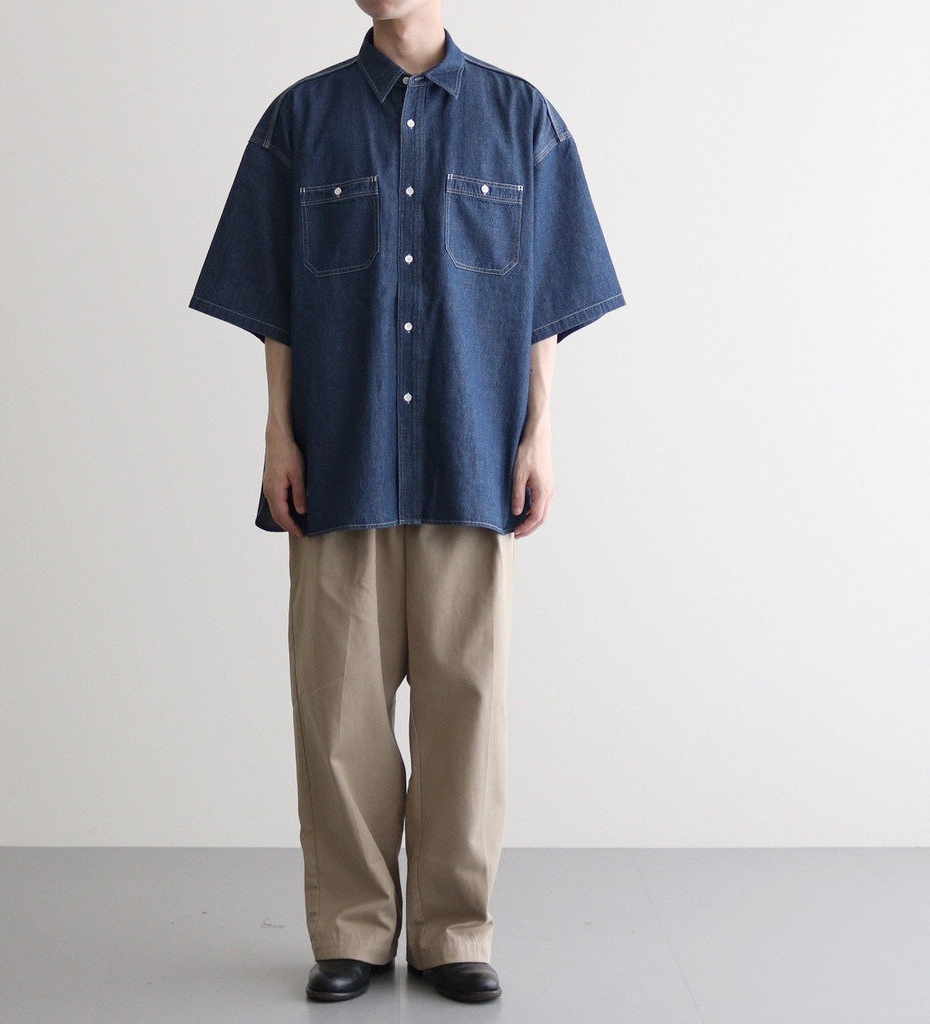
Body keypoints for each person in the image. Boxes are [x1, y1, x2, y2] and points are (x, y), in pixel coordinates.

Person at [188, 0, 625, 1003]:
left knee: (466, 705)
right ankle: (351, 927)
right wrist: (278, 432)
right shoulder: (301, 120)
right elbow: (275, 305)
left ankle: (452, 932)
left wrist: (539, 434)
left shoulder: (522, 119)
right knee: (337, 706)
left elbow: (546, 302)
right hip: (341, 456)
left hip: (471, 457)